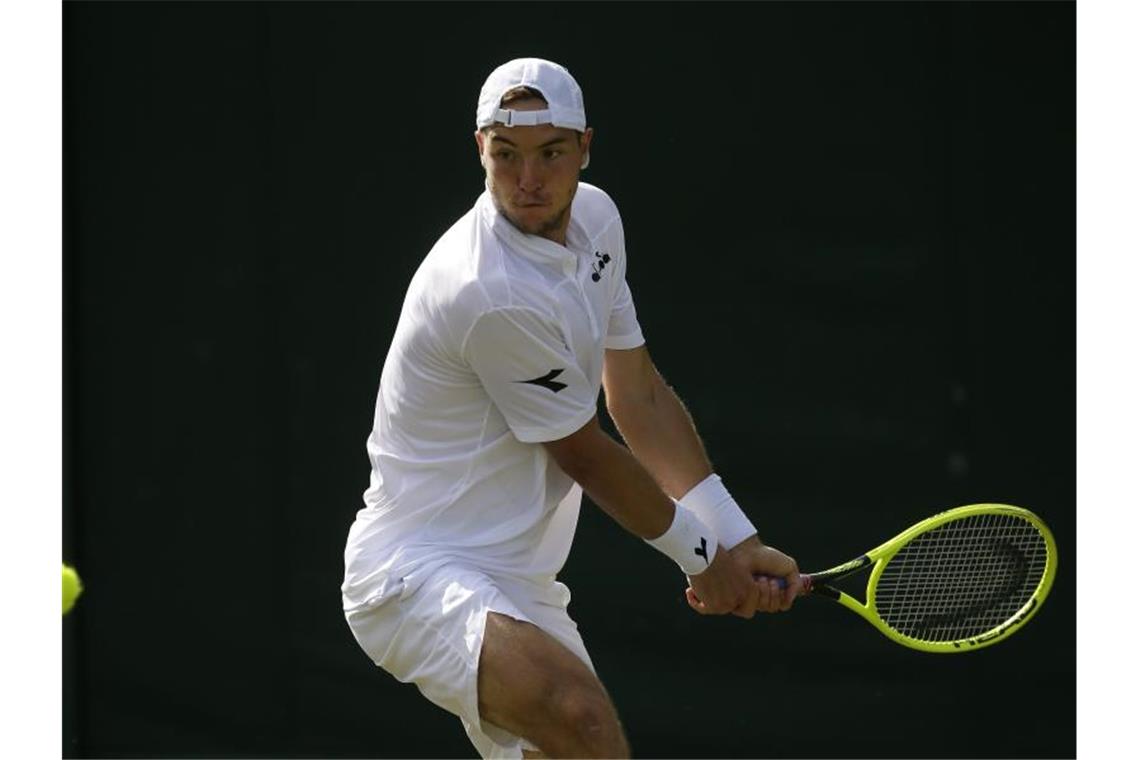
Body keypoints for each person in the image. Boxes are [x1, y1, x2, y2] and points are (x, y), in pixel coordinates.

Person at [341, 57, 801, 759]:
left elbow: (637, 395)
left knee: (584, 751)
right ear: (480, 151)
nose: (528, 180)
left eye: (551, 154)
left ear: (585, 147)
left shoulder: (597, 221)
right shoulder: (486, 291)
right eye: (507, 155)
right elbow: (584, 453)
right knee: (581, 720)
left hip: (519, 578)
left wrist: (734, 539)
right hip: (416, 574)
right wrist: (701, 557)